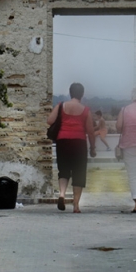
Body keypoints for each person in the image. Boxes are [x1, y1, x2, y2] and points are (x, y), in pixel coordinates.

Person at [47, 83, 96, 213]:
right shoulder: (85, 110)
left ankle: (62, 194)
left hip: (62, 141)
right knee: (79, 172)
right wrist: (93, 147)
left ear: (70, 93)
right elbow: (91, 131)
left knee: (63, 170)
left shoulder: (61, 105)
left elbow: (50, 120)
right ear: (82, 94)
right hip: (79, 142)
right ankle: (76, 206)